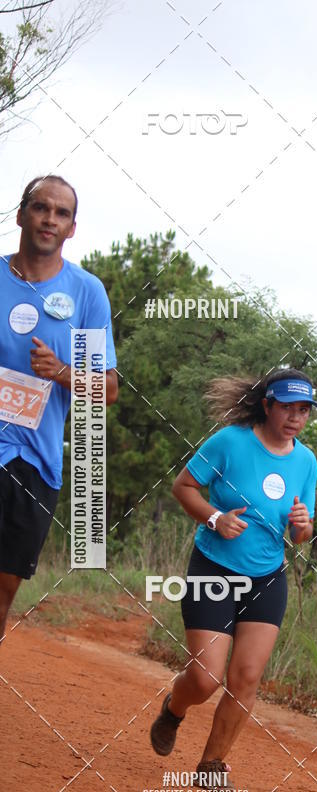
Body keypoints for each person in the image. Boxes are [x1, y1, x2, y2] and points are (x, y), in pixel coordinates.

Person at [150, 369, 317, 783]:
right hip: (214, 570)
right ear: (267, 406)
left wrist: (302, 524)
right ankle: (174, 707)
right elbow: (183, 487)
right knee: (206, 678)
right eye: (287, 408)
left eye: (304, 410)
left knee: (245, 677)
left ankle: (211, 765)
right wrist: (215, 518)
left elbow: (302, 534)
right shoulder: (230, 442)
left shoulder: (306, 460)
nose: (295, 417)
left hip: (266, 576)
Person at [0, 175, 119, 641]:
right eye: (40, 207)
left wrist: (61, 373)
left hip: (34, 461)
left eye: (61, 212)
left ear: (71, 228)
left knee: (5, 586)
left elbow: (107, 389)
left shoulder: (86, 294)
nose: (49, 218)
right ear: (21, 215)